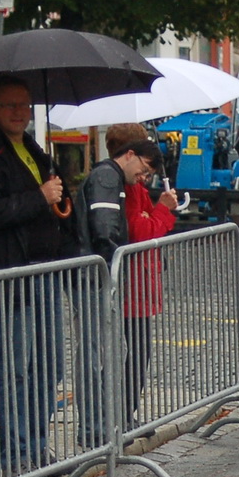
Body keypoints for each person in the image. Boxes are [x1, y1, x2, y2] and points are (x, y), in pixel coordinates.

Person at [0, 77, 77, 477]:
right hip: (11, 274)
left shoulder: (34, 149)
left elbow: (51, 199)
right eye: (9, 105)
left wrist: (58, 198)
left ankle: (37, 447)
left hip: (45, 269)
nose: (18, 112)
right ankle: (15, 456)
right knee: (16, 368)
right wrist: (38, 197)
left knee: (49, 365)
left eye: (24, 105)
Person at [99, 124, 176, 427]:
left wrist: (155, 215)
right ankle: (119, 415)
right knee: (133, 351)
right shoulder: (128, 189)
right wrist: (162, 210)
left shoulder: (134, 186)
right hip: (133, 282)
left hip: (140, 281)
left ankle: (124, 414)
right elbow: (142, 231)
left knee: (138, 350)